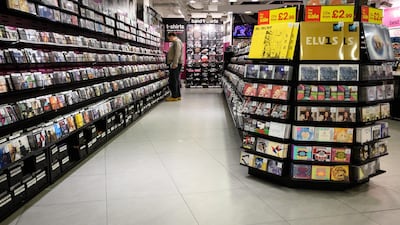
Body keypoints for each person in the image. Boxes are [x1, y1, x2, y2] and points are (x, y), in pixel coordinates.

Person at [166, 32, 183, 101]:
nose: (169, 39)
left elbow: (177, 53)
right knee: (175, 79)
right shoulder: (176, 42)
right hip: (175, 63)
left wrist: (175, 63)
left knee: (173, 80)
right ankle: (177, 95)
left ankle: (174, 96)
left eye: (169, 38)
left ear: (172, 36)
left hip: (175, 63)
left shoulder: (176, 42)